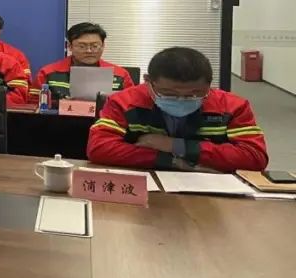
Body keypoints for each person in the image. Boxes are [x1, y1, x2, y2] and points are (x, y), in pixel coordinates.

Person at [87, 47, 267, 172]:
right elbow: (100, 148)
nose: (181, 99)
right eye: (169, 93)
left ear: (209, 85)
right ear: (148, 81)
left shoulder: (233, 107)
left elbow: (255, 156)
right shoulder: (124, 102)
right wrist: (172, 161)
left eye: (194, 94)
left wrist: (176, 146)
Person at [32, 22, 135, 101]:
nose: (89, 51)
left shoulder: (120, 75)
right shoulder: (48, 73)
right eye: (82, 46)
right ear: (70, 46)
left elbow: (131, 105)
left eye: (95, 46)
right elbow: (33, 105)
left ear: (103, 46)